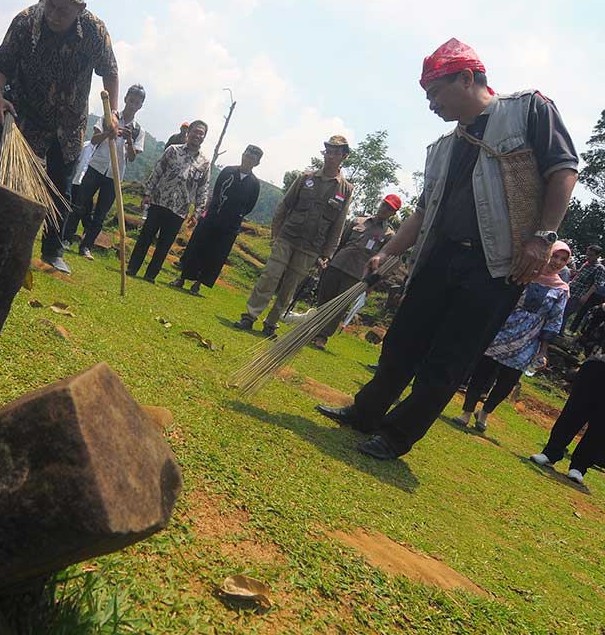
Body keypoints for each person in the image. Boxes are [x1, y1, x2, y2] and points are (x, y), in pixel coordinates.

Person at [316, 38, 579, 461]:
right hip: (441, 256)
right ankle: (365, 413)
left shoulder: (528, 109)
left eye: (435, 93)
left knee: (450, 356)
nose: (431, 104)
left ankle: (397, 435)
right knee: (402, 342)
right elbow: (423, 212)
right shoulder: (442, 148)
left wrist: (543, 236)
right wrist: (389, 253)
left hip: (496, 266)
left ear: (467, 77)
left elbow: (564, 169)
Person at [0, 0, 119, 275]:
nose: (54, 14)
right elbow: (1, 63)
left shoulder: (94, 31)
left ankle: (53, 248)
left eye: (63, 9)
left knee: (61, 185)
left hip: (69, 121)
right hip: (25, 110)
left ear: (80, 8)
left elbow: (110, 71)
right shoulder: (25, 21)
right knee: (1, 165)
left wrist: (112, 112)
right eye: (51, 3)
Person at [234, 136, 353, 336]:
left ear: (344, 156)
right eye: (328, 151)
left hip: (311, 247)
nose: (330, 156)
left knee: (289, 287)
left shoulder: (345, 190)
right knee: (269, 277)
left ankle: (271, 324)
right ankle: (249, 316)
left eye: (335, 153)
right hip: (287, 237)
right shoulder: (305, 177)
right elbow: (284, 206)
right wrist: (275, 235)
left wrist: (327, 254)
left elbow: (338, 225)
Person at [453, 241, 571, 432]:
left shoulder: (561, 289)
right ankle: (466, 412)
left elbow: (554, 320)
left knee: (507, 380)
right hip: (502, 329)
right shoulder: (526, 273)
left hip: (528, 340)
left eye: (562, 259)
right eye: (555, 256)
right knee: (482, 371)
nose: (557, 261)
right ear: (547, 254)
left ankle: (484, 413)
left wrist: (543, 350)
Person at [63, 83, 146, 259]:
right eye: (131, 101)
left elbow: (132, 158)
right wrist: (110, 132)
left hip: (114, 176)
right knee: (79, 204)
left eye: (137, 103)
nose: (133, 105)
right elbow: (93, 140)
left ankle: (86, 246)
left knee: (100, 214)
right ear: (125, 99)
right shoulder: (109, 116)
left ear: (140, 106)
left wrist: (130, 141)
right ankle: (66, 238)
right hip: (96, 166)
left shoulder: (139, 131)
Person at [310, 194, 400, 349]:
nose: (384, 209)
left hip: (356, 274)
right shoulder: (358, 221)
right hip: (337, 265)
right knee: (324, 298)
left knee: (339, 306)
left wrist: (371, 284)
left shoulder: (389, 235)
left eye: (389, 209)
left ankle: (322, 337)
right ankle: (311, 331)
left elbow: (383, 262)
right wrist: (328, 259)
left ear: (393, 214)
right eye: (384, 205)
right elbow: (341, 241)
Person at [170, 145, 262, 294]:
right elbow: (216, 191)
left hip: (230, 226)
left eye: (252, 158)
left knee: (215, 255)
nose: (247, 159)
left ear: (256, 163)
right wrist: (206, 211)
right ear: (242, 155)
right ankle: (182, 279)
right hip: (212, 217)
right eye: (246, 155)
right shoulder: (228, 171)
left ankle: (198, 284)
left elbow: (250, 206)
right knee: (197, 247)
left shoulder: (255, 184)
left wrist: (236, 215)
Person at [127, 121, 211, 284]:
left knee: (164, 245)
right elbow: (157, 171)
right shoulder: (173, 150)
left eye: (202, 133)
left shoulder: (205, 163)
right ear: (189, 132)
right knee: (145, 237)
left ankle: (151, 275)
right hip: (159, 201)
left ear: (204, 137)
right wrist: (147, 193)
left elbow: (203, 188)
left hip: (179, 209)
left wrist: (197, 212)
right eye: (196, 131)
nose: (198, 136)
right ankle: (132, 268)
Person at [529, 355, 605, 487]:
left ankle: (579, 467)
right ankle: (550, 453)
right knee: (573, 411)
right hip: (598, 366)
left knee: (600, 426)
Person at [564, 244, 604, 333]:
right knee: (562, 310)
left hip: (580, 293)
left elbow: (596, 284)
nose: (588, 257)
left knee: (567, 312)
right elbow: (578, 275)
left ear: (597, 256)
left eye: (591, 255)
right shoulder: (586, 264)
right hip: (572, 288)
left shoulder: (599, 268)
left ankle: (558, 332)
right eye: (587, 254)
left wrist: (586, 296)